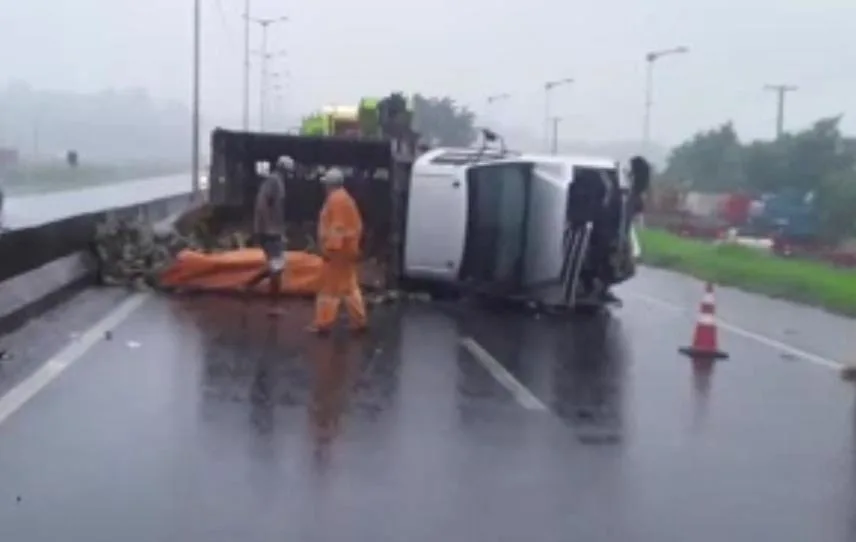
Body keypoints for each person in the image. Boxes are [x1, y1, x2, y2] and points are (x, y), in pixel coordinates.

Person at [307, 167, 367, 334]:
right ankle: (359, 320)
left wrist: (329, 249)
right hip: (347, 251)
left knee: (328, 289)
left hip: (337, 253)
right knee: (349, 287)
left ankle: (323, 323)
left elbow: (337, 227)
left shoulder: (336, 200)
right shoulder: (344, 198)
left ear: (330, 184)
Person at [244, 155, 293, 307]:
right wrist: (268, 227)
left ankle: (249, 286)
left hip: (273, 230)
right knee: (277, 267)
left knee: (277, 266)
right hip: (270, 232)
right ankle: (273, 305)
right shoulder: (273, 181)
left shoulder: (277, 182)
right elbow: (262, 204)